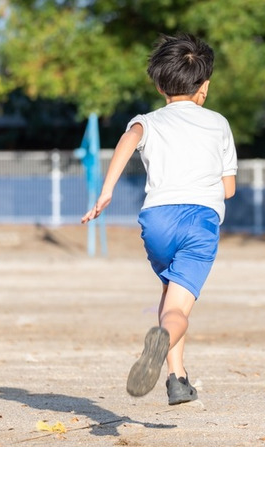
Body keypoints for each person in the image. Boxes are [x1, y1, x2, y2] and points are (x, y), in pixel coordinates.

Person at [81, 33, 237, 405]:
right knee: (177, 312)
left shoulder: (147, 121)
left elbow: (129, 139)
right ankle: (164, 339)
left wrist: (106, 191)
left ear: (158, 84)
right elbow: (228, 189)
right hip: (199, 223)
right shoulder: (218, 123)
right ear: (205, 86)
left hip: (157, 221)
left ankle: (177, 379)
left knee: (169, 293)